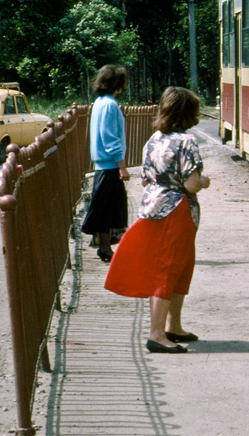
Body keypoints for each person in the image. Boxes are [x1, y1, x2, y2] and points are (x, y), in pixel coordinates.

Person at [104, 86, 211, 354]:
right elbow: (192, 183)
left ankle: (174, 326)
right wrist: (205, 181)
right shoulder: (187, 141)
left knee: (178, 266)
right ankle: (157, 334)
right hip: (177, 210)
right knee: (169, 268)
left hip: (153, 206)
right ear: (189, 113)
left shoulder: (153, 139)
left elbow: (145, 178)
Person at [81, 65, 130, 263]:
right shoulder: (110, 105)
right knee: (110, 209)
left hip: (102, 164)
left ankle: (104, 247)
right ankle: (104, 246)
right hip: (109, 165)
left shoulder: (99, 103)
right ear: (117, 83)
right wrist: (122, 165)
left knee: (106, 209)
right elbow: (109, 137)